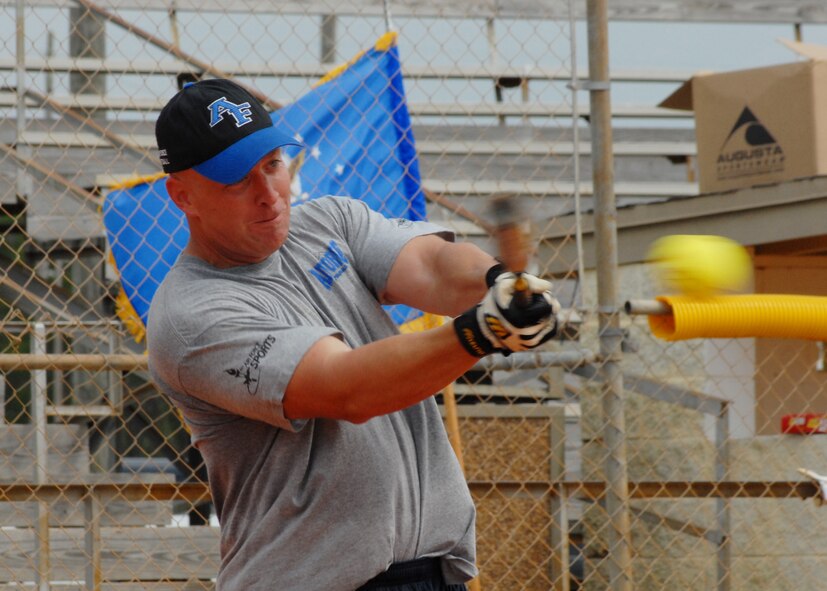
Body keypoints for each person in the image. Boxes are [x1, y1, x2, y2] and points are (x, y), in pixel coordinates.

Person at [147, 78, 559, 591]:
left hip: (429, 571)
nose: (268, 194)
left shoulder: (328, 222)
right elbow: (348, 388)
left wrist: (499, 285)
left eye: (272, 165)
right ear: (182, 195)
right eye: (236, 181)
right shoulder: (192, 314)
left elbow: (433, 267)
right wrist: (481, 331)